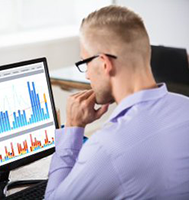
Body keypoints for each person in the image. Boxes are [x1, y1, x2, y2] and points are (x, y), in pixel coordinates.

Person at [45, 5, 189, 199]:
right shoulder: (185, 106)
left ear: (105, 64)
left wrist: (73, 126)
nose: (87, 74)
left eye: (85, 63)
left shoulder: (108, 147)